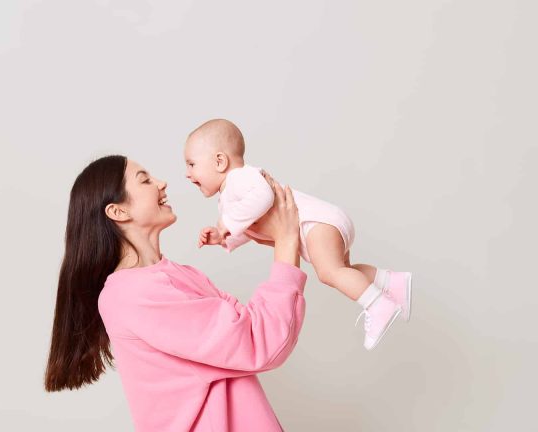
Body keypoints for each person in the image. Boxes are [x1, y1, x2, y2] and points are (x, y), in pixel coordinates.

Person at [44, 155, 305, 431]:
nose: (162, 183)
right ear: (118, 212)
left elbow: (252, 328)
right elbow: (260, 341)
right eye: (145, 180)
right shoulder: (131, 295)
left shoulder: (178, 274)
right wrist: (286, 240)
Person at [184, 118, 413, 350]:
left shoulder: (239, 178)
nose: (187, 174)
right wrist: (224, 236)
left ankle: (378, 305)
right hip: (324, 222)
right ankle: (392, 282)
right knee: (343, 271)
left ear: (220, 161)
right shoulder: (231, 196)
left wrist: (227, 222)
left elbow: (263, 196)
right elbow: (252, 223)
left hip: (316, 224)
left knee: (329, 273)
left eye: (191, 164)